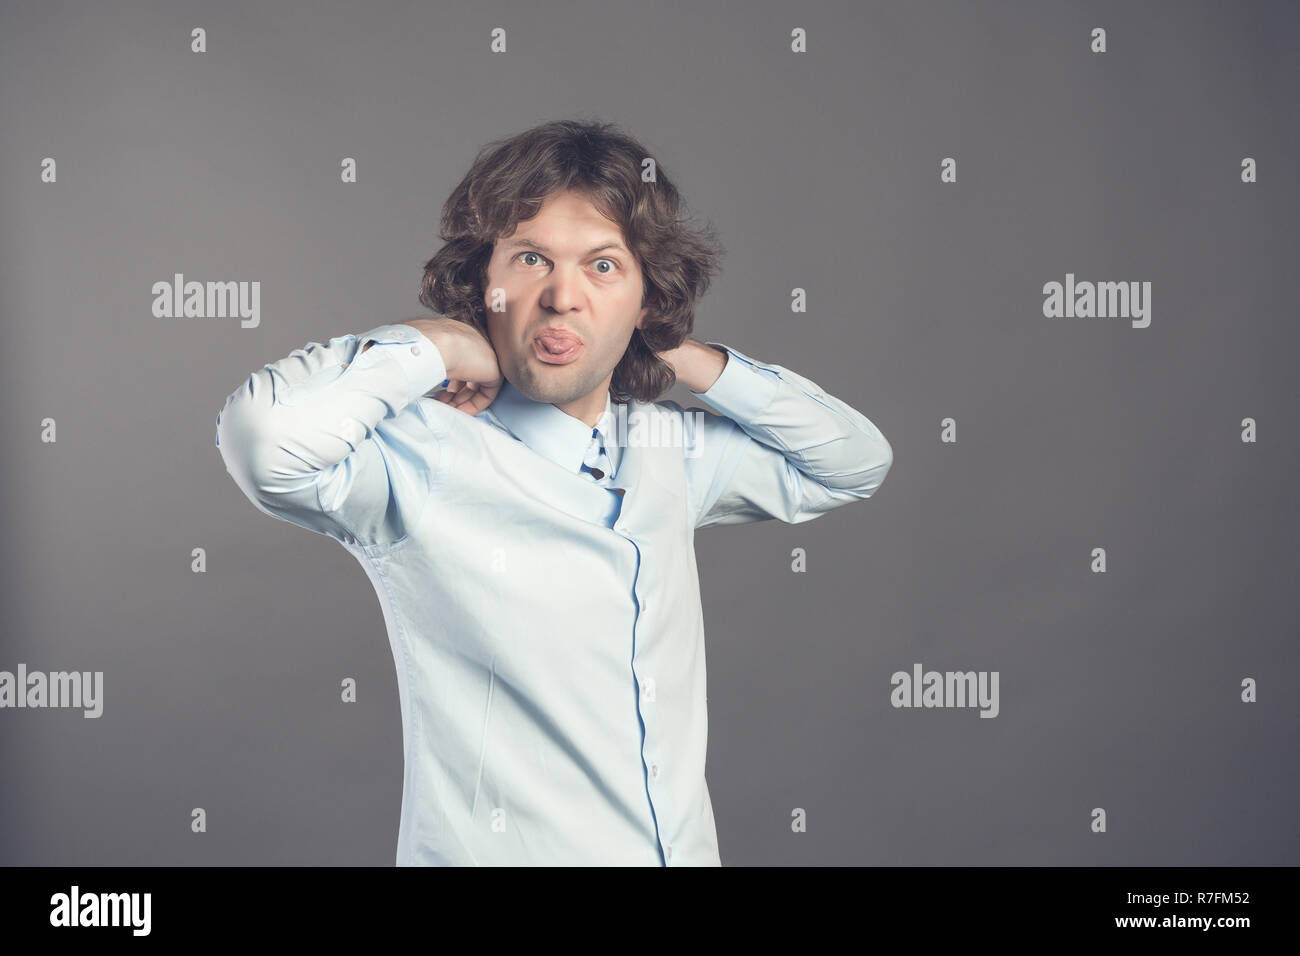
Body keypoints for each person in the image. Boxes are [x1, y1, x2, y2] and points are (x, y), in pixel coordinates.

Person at [214, 119, 893, 866]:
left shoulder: (668, 452)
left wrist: (677, 350)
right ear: (485, 282)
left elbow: (852, 462)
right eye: (531, 258)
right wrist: (436, 343)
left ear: (645, 294)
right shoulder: (420, 460)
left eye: (604, 267)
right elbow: (265, 443)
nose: (563, 296)